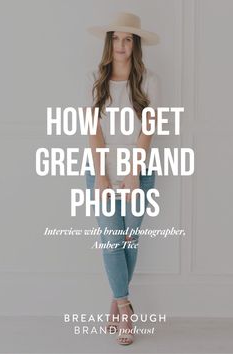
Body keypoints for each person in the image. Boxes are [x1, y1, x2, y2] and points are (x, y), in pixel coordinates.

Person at [83, 12, 160, 345]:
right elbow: (93, 132)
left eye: (128, 39)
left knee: (128, 240)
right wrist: (102, 176)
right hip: (101, 170)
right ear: (108, 42)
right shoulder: (94, 79)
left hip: (138, 171)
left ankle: (116, 301)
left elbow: (148, 131)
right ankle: (126, 308)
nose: (121, 45)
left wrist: (132, 173)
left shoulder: (149, 81)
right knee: (111, 240)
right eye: (116, 38)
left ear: (136, 44)